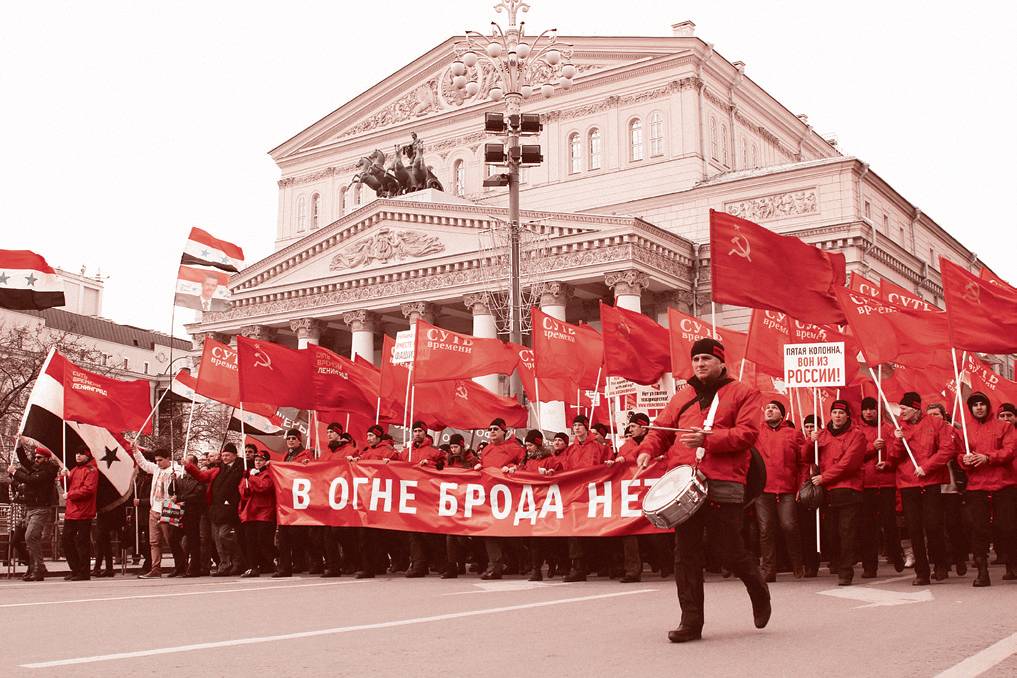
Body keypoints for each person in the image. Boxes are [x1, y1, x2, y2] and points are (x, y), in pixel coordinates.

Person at [635, 338, 770, 643]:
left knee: (729, 551)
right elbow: (660, 431)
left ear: (721, 363)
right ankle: (691, 622)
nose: (700, 364)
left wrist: (707, 440)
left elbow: (747, 434)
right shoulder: (682, 395)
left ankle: (758, 588)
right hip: (685, 482)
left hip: (725, 480)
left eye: (706, 358)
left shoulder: (744, 393)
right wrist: (646, 450)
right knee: (685, 555)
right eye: (696, 359)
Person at [889, 392, 955, 585]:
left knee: (933, 526)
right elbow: (894, 457)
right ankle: (922, 571)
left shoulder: (936, 424)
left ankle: (940, 563)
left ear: (915, 408)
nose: (901, 412)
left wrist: (927, 467)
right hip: (908, 483)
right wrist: (897, 440)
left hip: (930, 482)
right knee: (914, 529)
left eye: (904, 408)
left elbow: (947, 449)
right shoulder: (900, 427)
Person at [957, 392, 1017, 586]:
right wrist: (964, 460)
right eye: (975, 405)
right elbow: (959, 454)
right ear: (971, 408)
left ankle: (1012, 564)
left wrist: (988, 457)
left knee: (1007, 526)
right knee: (978, 528)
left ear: (988, 406)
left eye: (982, 404)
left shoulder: (1004, 426)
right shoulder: (965, 430)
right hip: (977, 485)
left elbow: (1010, 450)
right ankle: (982, 572)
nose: (979, 408)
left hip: (1003, 483)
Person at [808, 400, 866, 586]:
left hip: (848, 488)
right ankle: (839, 562)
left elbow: (849, 464)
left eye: (841, 413)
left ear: (847, 415)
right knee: (831, 532)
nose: (837, 416)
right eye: (834, 412)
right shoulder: (822, 434)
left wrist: (824, 477)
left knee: (846, 531)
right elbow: (806, 457)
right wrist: (810, 442)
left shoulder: (857, 435)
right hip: (828, 490)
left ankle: (846, 571)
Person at [754, 400, 806, 581]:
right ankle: (769, 570)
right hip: (763, 489)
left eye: (774, 408)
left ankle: (797, 564)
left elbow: (803, 463)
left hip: (787, 489)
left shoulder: (793, 434)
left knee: (789, 526)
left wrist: (801, 485)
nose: (769, 410)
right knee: (765, 529)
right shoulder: (756, 433)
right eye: (767, 408)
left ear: (782, 415)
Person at [507, 429, 563, 582]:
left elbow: (560, 472)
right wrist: (511, 469)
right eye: (526, 446)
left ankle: (549, 564)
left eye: (530, 445)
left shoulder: (549, 459)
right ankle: (536, 569)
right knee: (534, 539)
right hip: (531, 503)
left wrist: (550, 472)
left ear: (538, 445)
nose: (528, 448)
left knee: (544, 539)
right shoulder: (527, 460)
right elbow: (519, 471)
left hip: (545, 503)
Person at [858, 397, 904, 577]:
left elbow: (896, 452)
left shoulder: (889, 429)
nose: (869, 412)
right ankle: (870, 566)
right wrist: (872, 447)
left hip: (886, 483)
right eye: (865, 409)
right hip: (866, 484)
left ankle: (896, 553)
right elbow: (854, 454)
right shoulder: (858, 431)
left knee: (889, 523)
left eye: (872, 409)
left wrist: (888, 461)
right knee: (868, 527)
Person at [560, 414, 608, 582]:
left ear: (586, 428)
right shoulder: (570, 450)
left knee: (597, 530)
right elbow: (564, 468)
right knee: (574, 531)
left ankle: (604, 564)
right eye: (575, 425)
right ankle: (578, 567)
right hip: (575, 495)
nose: (577, 428)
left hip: (595, 494)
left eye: (580, 425)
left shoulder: (598, 447)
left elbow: (609, 463)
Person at [185, 443, 244, 576]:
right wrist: (189, 466)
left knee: (224, 535)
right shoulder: (218, 470)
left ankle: (238, 561)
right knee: (218, 539)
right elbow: (202, 476)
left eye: (228, 455)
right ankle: (224, 565)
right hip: (216, 509)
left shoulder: (242, 468)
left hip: (231, 508)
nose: (225, 458)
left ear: (235, 455)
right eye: (223, 455)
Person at [476, 418, 524, 580]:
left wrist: (513, 468)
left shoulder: (514, 448)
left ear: (504, 431)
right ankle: (494, 567)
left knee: (509, 532)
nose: (492, 432)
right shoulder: (486, 449)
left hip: (509, 496)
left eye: (495, 429)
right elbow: (483, 465)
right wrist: (478, 466)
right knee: (491, 531)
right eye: (490, 429)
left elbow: (524, 464)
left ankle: (520, 560)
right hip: (490, 496)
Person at [927, 403, 969, 576]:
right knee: (934, 527)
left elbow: (961, 451)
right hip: (932, 486)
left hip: (951, 486)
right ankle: (940, 564)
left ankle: (959, 557)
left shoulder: (952, 432)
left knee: (953, 525)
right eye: (930, 415)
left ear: (944, 416)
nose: (933, 418)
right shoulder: (925, 433)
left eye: (936, 414)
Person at [610, 413, 654, 583]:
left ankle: (664, 562)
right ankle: (632, 570)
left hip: (651, 492)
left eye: (634, 426)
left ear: (644, 428)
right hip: (631, 495)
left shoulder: (654, 442)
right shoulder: (625, 446)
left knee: (657, 533)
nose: (631, 429)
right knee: (629, 532)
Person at [7, 442, 59, 581]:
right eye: (35, 457)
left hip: (40, 508)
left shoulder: (47, 472)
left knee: (30, 537)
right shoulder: (37, 468)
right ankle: (34, 567)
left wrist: (15, 472)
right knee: (29, 539)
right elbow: (24, 461)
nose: (36, 460)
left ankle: (38, 567)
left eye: (39, 458)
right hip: (30, 508)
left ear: (46, 459)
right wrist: (18, 446)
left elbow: (31, 480)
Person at [401, 421, 447, 578]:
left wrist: (431, 464)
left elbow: (445, 466)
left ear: (425, 433)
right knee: (413, 534)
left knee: (430, 533)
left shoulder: (434, 452)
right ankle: (418, 565)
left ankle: (442, 564)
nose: (417, 433)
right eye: (415, 431)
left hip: (428, 497)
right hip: (411, 496)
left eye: (420, 431)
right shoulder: (406, 453)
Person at [132, 447, 186, 579]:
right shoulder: (156, 469)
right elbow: (144, 463)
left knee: (171, 540)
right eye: (156, 460)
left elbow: (181, 478)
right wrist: (135, 451)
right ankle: (155, 568)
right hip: (154, 509)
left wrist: (176, 477)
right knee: (154, 542)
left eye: (160, 460)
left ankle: (180, 567)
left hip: (168, 509)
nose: (158, 463)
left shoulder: (176, 470)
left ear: (168, 459)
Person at [275, 429, 313, 577]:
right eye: (288, 438)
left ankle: (304, 562)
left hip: (300, 499)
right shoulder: (286, 456)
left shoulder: (306, 454)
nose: (290, 441)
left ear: (299, 440)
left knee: (300, 535)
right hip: (286, 499)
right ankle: (285, 567)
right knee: (284, 533)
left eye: (293, 438)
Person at [60, 448, 98, 581]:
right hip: (72, 511)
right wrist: (63, 477)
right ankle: (75, 569)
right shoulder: (75, 470)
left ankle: (84, 571)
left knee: (82, 542)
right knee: (66, 539)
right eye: (77, 453)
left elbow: (89, 489)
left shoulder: (91, 470)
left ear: (87, 456)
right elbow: (67, 486)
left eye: (81, 454)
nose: (78, 455)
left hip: (84, 511)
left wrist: (70, 494)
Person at [240, 450, 277, 577]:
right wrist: (245, 483)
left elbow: (264, 487)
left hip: (265, 511)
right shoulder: (252, 473)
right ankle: (253, 567)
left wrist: (251, 478)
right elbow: (243, 492)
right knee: (250, 541)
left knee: (263, 540)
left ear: (266, 462)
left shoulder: (269, 474)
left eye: (260, 460)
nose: (258, 462)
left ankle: (275, 560)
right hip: (251, 512)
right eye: (256, 460)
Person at [171, 453, 207, 577]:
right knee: (173, 538)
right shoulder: (181, 477)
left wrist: (181, 498)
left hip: (193, 512)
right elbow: (172, 491)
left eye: (188, 463)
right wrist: (173, 481)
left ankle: (195, 568)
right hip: (180, 513)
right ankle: (180, 565)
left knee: (193, 541)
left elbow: (198, 495)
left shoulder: (199, 478)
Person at [799, 414, 820, 577]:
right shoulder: (802, 441)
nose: (809, 429)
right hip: (805, 487)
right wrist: (810, 442)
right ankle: (809, 563)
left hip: (820, 484)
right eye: (807, 426)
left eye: (812, 426)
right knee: (806, 528)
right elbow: (803, 456)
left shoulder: (824, 440)